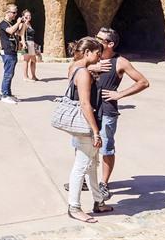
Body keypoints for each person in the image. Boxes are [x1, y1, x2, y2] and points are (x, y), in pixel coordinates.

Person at [92, 27, 150, 199]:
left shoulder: (120, 62)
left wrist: (120, 94)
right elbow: (72, 71)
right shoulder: (92, 57)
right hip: (89, 109)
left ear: (110, 44)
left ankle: (103, 183)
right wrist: (92, 66)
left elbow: (143, 82)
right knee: (85, 145)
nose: (95, 41)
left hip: (107, 111)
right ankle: (88, 180)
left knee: (107, 148)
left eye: (99, 39)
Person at [65, 37, 114, 223]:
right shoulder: (84, 73)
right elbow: (85, 103)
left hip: (81, 124)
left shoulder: (74, 67)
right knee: (82, 166)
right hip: (86, 124)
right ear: (87, 53)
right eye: (97, 53)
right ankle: (74, 206)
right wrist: (95, 131)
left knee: (92, 164)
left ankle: (98, 202)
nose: (99, 57)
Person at [0, 4, 24, 104]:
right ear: (7, 12)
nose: (15, 15)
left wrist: (23, 24)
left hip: (13, 52)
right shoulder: (3, 24)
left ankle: (8, 94)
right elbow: (11, 31)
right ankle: (4, 95)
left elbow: (18, 33)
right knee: (8, 74)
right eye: (13, 12)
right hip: (7, 52)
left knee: (11, 73)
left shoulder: (10, 23)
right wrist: (18, 23)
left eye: (16, 13)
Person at [20, 9, 39, 81]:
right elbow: (22, 35)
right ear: (23, 16)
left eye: (29, 15)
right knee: (26, 60)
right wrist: (24, 44)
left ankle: (33, 76)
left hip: (31, 43)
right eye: (27, 15)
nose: (29, 16)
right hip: (26, 43)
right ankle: (25, 76)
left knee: (33, 60)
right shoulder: (24, 24)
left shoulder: (29, 24)